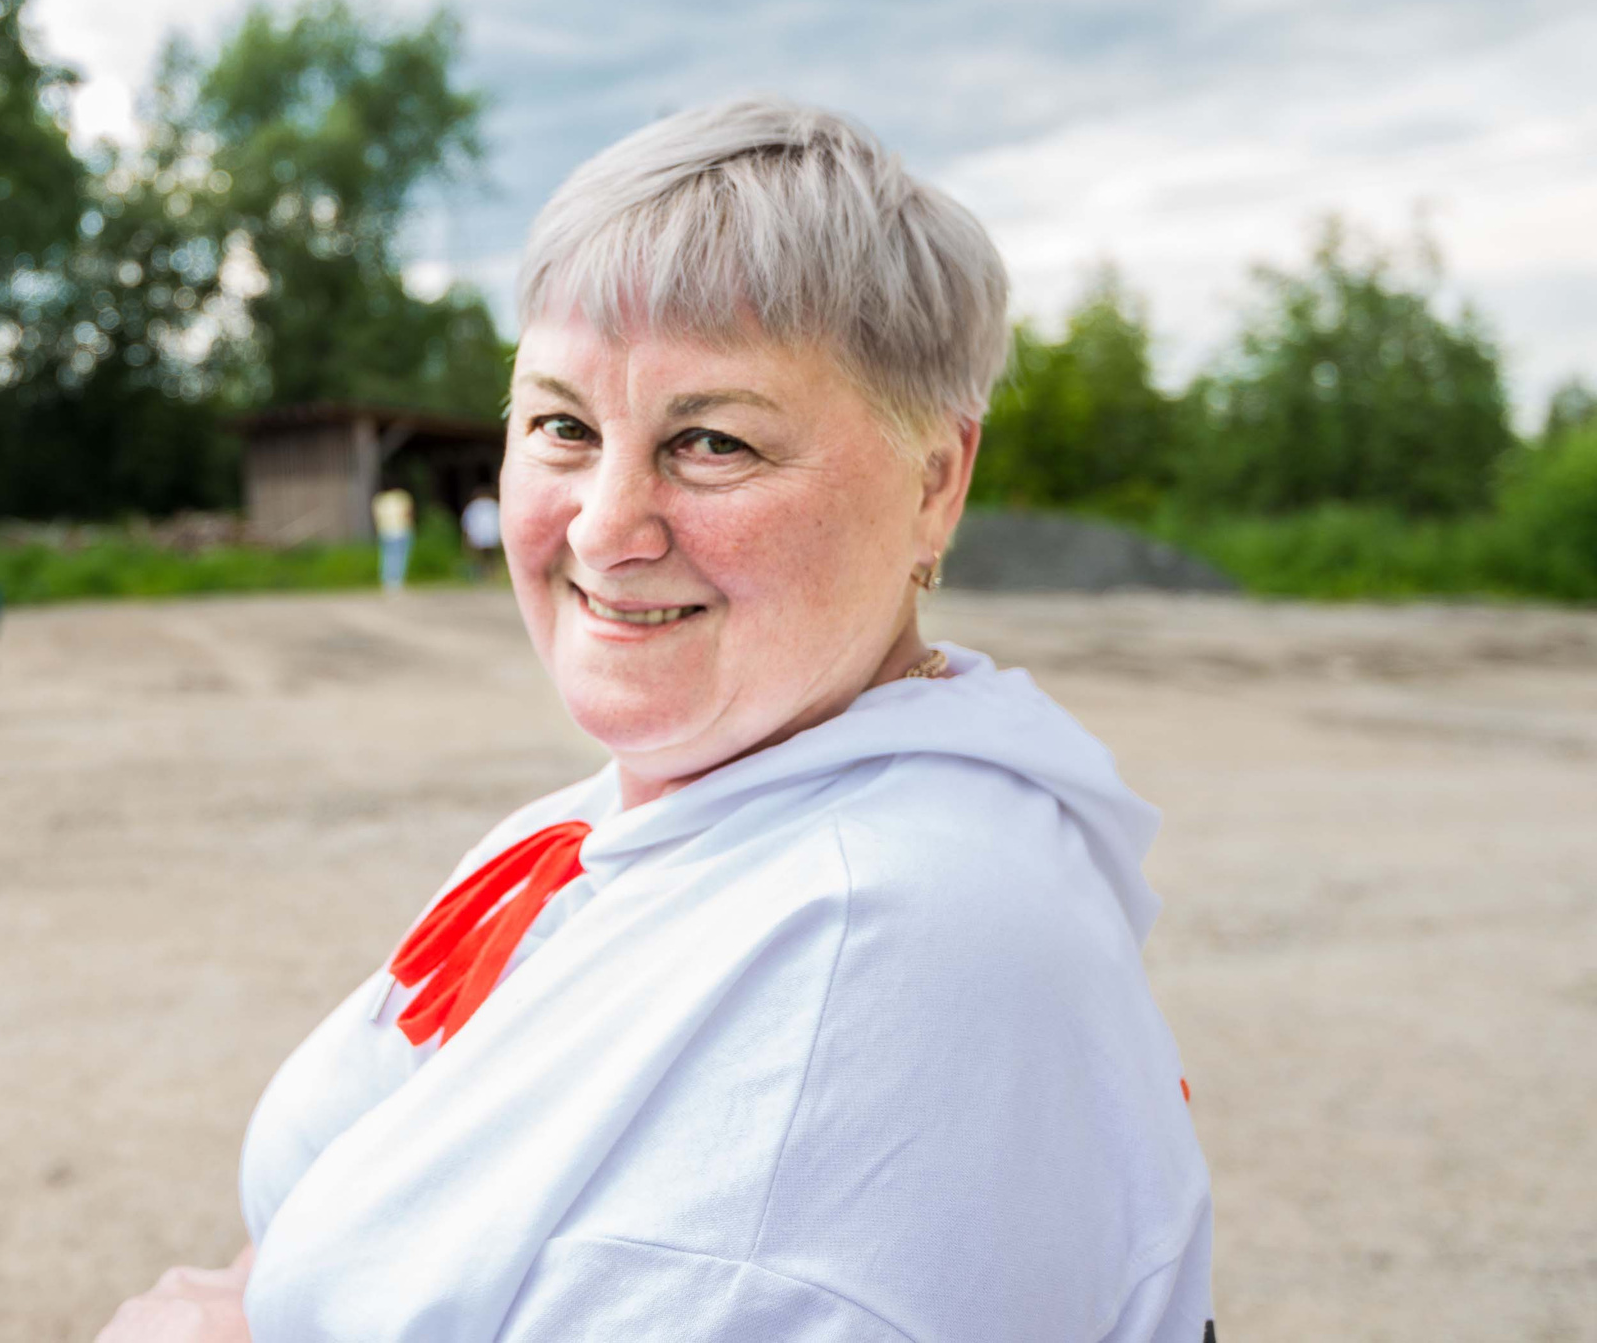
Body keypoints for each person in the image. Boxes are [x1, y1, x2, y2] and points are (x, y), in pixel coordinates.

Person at [99, 99, 1213, 1343]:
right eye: (564, 426)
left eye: (712, 441)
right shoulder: (661, 808)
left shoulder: (872, 946)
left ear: (934, 480)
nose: (602, 526)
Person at [369, 484, 414, 592]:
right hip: (401, 530)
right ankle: (397, 581)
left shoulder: (379, 499)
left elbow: (376, 517)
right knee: (400, 557)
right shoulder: (402, 496)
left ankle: (387, 582)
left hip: (385, 532)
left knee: (386, 557)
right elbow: (408, 513)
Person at [458, 484, 502, 582]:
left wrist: (466, 536)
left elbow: (468, 522)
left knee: (479, 556)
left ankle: (480, 574)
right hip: (491, 534)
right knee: (491, 556)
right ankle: (492, 574)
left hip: (478, 534)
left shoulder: (473, 506)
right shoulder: (494, 505)